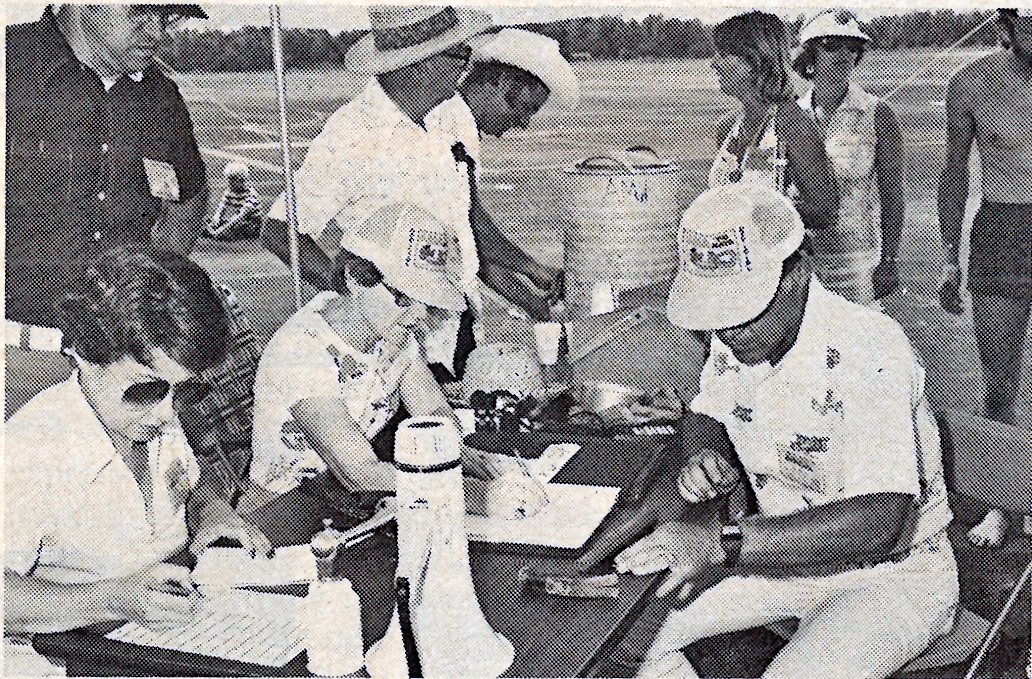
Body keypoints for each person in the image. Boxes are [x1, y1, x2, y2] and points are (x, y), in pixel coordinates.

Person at [612, 185, 957, 679]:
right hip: (780, 562)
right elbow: (707, 413)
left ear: (797, 276)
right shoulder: (737, 341)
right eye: (716, 317)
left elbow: (881, 521)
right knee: (628, 641)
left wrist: (721, 543)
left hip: (892, 577)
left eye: (742, 314)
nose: (726, 335)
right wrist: (706, 453)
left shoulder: (869, 346)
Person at [4, 245, 271, 676]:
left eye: (182, 392)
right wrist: (110, 598)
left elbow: (189, 483)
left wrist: (213, 512)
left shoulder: (149, 418)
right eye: (145, 389)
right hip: (79, 660)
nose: (169, 413)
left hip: (173, 638)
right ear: (86, 355)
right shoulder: (32, 451)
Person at [250, 203, 546, 518]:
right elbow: (358, 471)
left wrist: (479, 461)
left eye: (426, 302)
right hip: (283, 510)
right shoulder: (301, 351)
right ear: (354, 277)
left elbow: (433, 411)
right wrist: (480, 496)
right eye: (404, 298)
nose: (418, 315)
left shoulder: (393, 329)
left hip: (347, 501)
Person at [5, 4, 209, 417]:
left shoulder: (159, 96)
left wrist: (147, 292)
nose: (158, 33)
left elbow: (187, 197)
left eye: (166, 18)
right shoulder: (11, 64)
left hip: (119, 359)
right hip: (17, 350)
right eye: (142, 14)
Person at [938, 8, 1032, 547]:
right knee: (997, 393)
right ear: (1007, 20)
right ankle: (1004, 508)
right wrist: (949, 257)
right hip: (999, 235)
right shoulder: (970, 80)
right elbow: (953, 177)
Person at [794, 9, 905, 305]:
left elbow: (893, 195)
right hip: (796, 261)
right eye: (831, 44)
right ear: (810, 54)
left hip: (856, 262)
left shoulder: (877, 113)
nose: (844, 54)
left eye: (852, 47)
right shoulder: (790, 116)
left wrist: (890, 259)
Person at [707, 11, 840, 234]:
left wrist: (761, 210)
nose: (714, 63)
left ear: (754, 60)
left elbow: (826, 211)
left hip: (780, 267)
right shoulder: (727, 127)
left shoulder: (793, 125)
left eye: (723, 54)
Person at [206, 162, 262, 241]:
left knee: (237, 225)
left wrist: (222, 229)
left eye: (232, 180)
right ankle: (214, 232)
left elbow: (239, 217)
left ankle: (217, 234)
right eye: (228, 179)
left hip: (250, 226)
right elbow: (220, 210)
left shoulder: (251, 196)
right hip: (238, 221)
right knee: (209, 220)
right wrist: (216, 221)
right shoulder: (229, 191)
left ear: (241, 180)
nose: (229, 183)